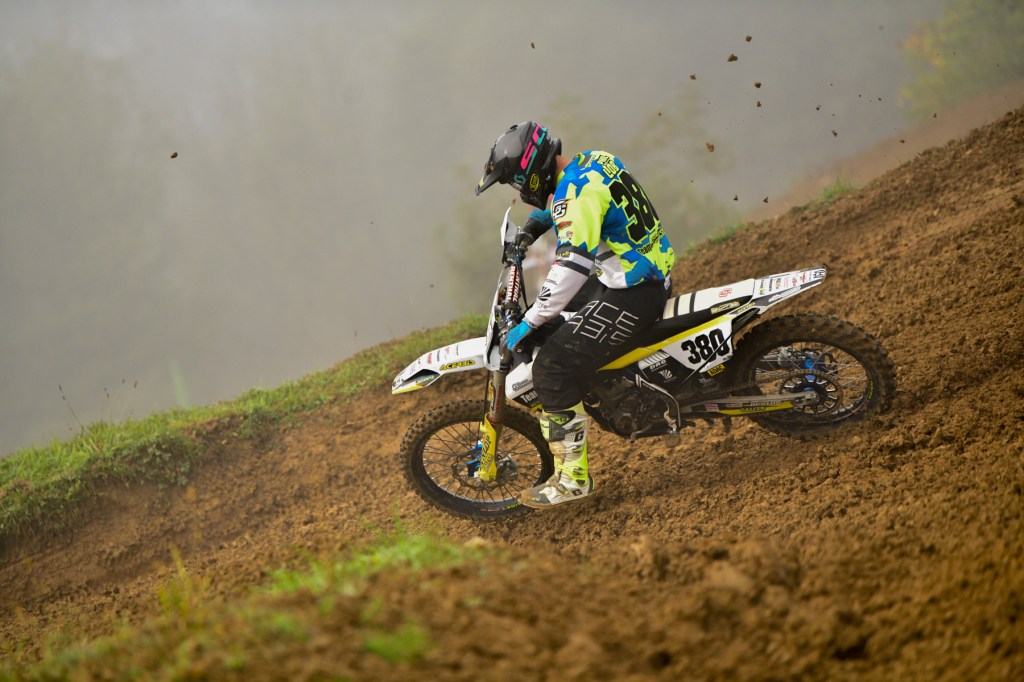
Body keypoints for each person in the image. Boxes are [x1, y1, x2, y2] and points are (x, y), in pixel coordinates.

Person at [476, 121, 675, 508]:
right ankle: (610, 391)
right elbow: (574, 204)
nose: (519, 191)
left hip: (635, 291)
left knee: (551, 367)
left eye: (516, 182)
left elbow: (570, 267)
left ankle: (573, 479)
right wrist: (533, 228)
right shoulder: (594, 161)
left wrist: (529, 322)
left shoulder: (574, 195)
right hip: (639, 275)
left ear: (530, 173)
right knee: (558, 323)